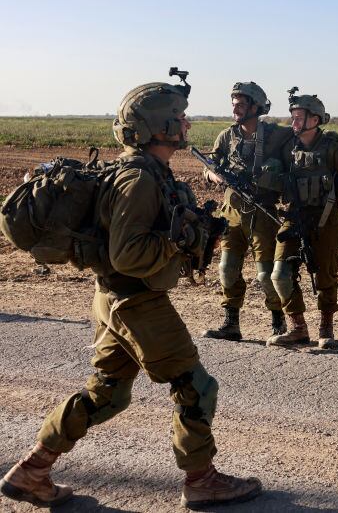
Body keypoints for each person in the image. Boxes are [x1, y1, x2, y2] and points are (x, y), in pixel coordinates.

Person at [1, 77, 262, 509]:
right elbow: (128, 254)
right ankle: (201, 479)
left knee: (107, 393)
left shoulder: (145, 171)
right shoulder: (139, 179)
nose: (187, 124)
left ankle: (33, 469)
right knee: (195, 386)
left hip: (113, 300)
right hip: (135, 300)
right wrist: (179, 240)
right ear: (158, 126)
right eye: (179, 118)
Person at [266, 91, 338, 349]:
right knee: (279, 274)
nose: (294, 123)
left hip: (328, 220)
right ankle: (298, 328)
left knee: (326, 275)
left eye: (299, 118)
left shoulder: (332, 147)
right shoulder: (287, 146)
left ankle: (326, 327)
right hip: (294, 218)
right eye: (293, 118)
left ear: (315, 120)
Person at [202, 81, 295, 341]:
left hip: (263, 214)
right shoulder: (227, 136)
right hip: (231, 212)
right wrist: (212, 176)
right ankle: (231, 324)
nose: (236, 109)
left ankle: (279, 322)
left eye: (241, 105)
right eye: (234, 105)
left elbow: (309, 134)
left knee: (266, 275)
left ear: (256, 107)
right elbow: (208, 166)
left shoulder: (278, 135)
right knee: (227, 269)